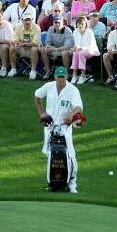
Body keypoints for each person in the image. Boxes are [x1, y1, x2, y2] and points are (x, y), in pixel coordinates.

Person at [34, 66, 84, 194]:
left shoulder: (73, 90)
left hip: (65, 127)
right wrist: (42, 113)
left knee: (70, 155)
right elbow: (37, 96)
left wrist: (71, 115)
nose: (61, 79)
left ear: (67, 77)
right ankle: (53, 182)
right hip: (50, 126)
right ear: (55, 77)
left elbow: (78, 107)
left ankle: (72, 183)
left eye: (63, 76)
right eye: (58, 76)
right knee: (51, 154)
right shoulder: (48, 86)